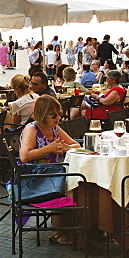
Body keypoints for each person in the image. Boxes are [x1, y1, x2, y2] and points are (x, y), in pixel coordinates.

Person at [18, 94, 80, 245]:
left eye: (59, 114)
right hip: (33, 178)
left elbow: (76, 145)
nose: (58, 117)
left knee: (79, 182)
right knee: (67, 185)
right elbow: (24, 156)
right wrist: (49, 149)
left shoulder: (55, 128)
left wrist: (65, 147)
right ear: (42, 114)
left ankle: (77, 227)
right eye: (53, 115)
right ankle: (55, 231)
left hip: (54, 173)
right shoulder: (31, 129)